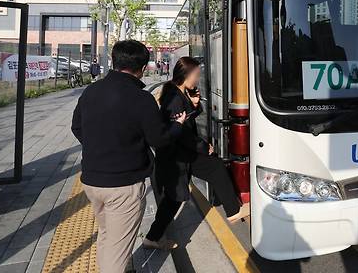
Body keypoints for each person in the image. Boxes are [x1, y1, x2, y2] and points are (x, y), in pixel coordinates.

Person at [71, 40, 184, 273]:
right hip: (122, 185)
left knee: (107, 235)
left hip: (92, 181)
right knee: (117, 246)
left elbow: (76, 127)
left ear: (114, 61)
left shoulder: (91, 91)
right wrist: (177, 126)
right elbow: (159, 140)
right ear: (142, 67)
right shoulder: (141, 99)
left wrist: (100, 146)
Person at [143, 56, 249, 249]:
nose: (198, 79)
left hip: (182, 154)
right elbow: (181, 131)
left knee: (212, 171)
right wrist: (203, 147)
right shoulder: (174, 97)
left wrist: (194, 104)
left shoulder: (177, 93)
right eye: (197, 75)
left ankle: (153, 237)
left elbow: (187, 119)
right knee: (175, 198)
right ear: (187, 75)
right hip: (178, 157)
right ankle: (152, 237)